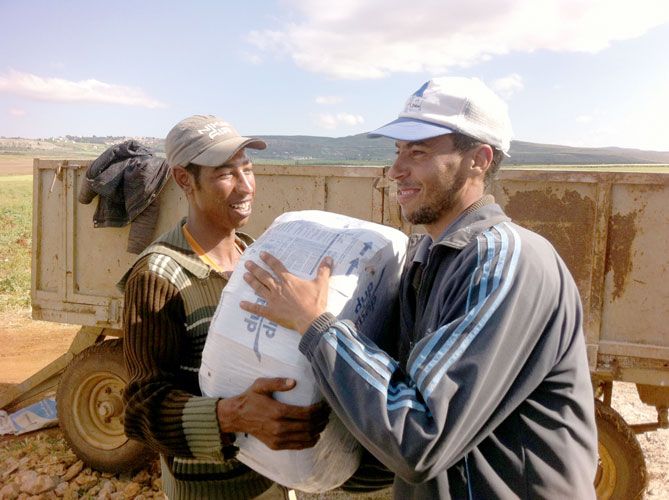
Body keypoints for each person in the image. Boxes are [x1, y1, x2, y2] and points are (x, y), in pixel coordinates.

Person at [240, 78, 598, 498]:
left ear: (479, 160)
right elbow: (395, 392)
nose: (395, 171)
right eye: (397, 152)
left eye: (419, 152)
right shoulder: (429, 256)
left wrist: (316, 324)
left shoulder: (502, 263)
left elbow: (420, 436)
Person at [121, 115, 329, 499]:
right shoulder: (158, 276)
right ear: (185, 179)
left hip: (274, 480)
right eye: (226, 174)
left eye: (248, 169)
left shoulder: (256, 257)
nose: (245, 185)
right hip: (209, 490)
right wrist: (232, 417)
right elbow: (140, 409)